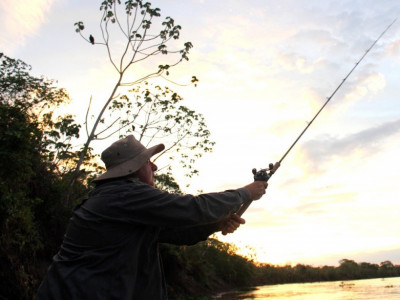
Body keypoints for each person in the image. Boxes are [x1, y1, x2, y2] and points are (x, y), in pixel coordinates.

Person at [36, 135, 268, 299]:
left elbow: (177, 233)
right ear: (134, 168)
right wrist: (245, 192)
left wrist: (215, 225)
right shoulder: (124, 195)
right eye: (148, 161)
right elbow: (192, 208)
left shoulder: (120, 200)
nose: (154, 167)